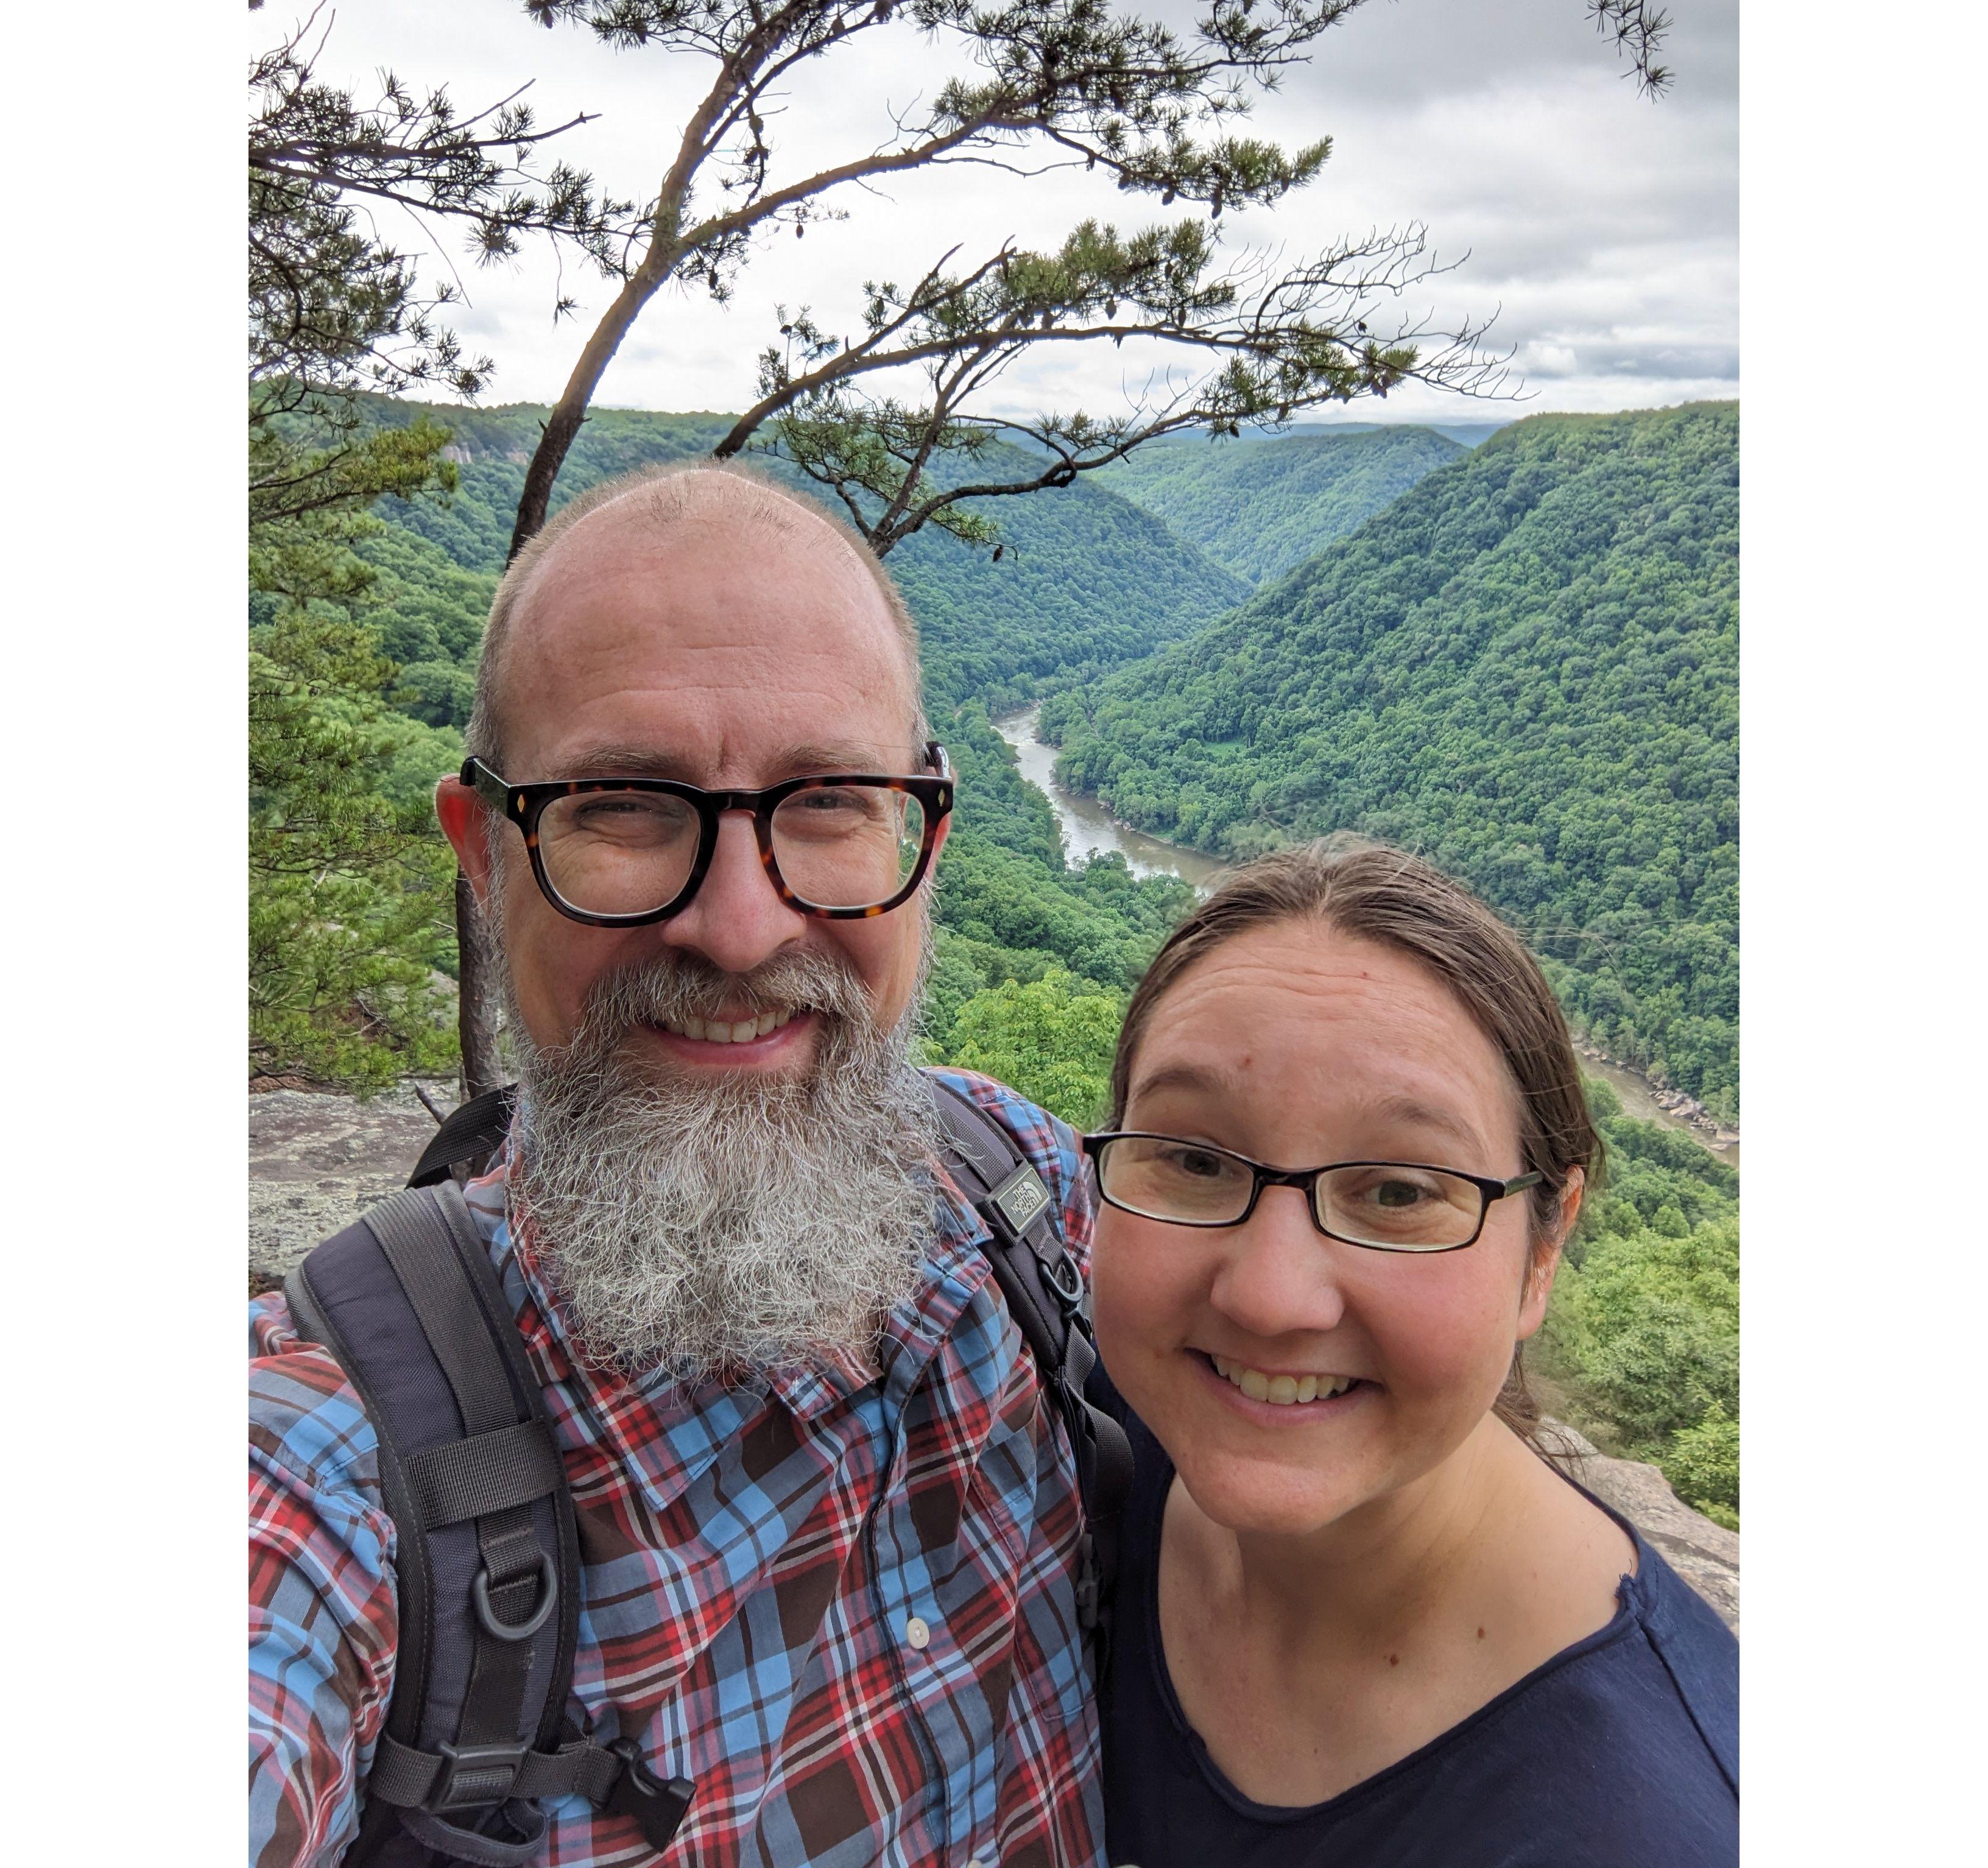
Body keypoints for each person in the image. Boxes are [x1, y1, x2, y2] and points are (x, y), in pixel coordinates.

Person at [249, 465, 1109, 1867]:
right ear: (487, 858)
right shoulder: (336, 1477)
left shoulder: (1022, 1192)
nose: (737, 926)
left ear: (926, 836)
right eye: (627, 807)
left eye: (827, 799)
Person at [1085, 839, 1737, 1868]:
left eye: (1397, 1193)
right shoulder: (1074, 1441)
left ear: (1545, 1247)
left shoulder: (1651, 1825)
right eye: (1198, 1160)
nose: (1269, 1296)